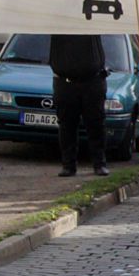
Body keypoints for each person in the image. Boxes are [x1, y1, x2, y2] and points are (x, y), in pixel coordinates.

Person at [48, 33, 110, 177]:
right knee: (66, 125)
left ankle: (99, 163)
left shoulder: (88, 19)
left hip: (92, 79)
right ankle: (68, 165)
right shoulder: (57, 21)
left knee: (96, 123)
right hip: (65, 81)